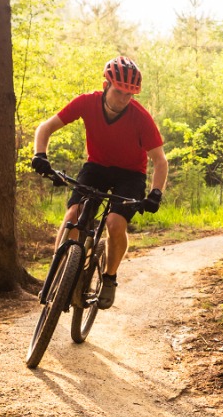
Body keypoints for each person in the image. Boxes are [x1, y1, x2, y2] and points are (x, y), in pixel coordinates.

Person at [30, 56, 168, 309]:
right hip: (96, 168)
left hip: (131, 175)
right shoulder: (87, 102)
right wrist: (40, 155)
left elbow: (160, 161)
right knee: (74, 212)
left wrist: (155, 193)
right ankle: (58, 269)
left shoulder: (141, 118)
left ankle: (109, 278)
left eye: (130, 94)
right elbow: (46, 127)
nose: (124, 99)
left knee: (115, 224)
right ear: (106, 85)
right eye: (119, 91)